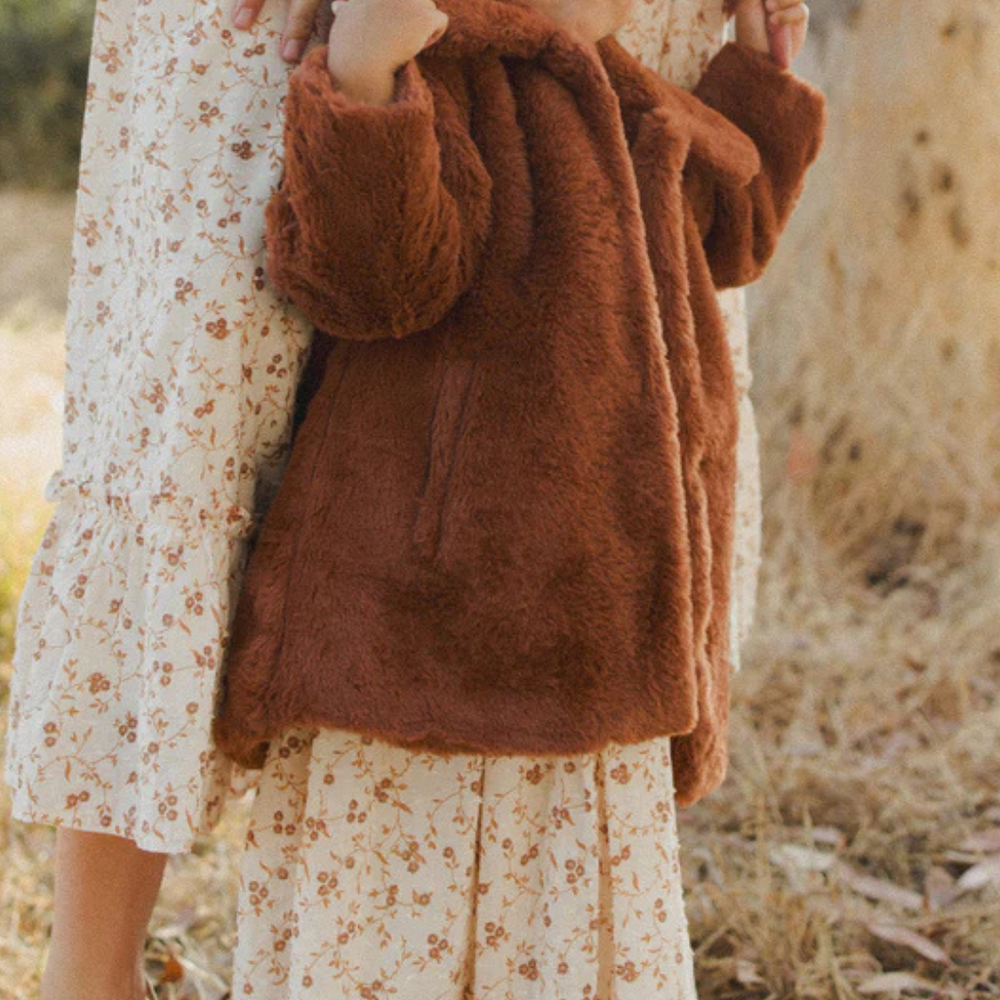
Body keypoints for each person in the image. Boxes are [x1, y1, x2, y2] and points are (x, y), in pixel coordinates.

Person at [1, 2, 810, 999]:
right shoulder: (461, 87)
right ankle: (91, 972)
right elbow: (368, 273)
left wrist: (761, 80)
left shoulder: (630, 99)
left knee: (576, 901)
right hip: (413, 651)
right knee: (201, 375)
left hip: (597, 648)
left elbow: (723, 223)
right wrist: (367, 74)